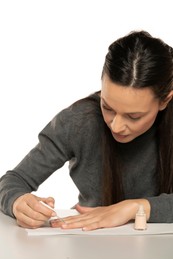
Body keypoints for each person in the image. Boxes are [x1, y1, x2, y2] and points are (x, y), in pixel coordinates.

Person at [0, 30, 173, 231]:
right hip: (88, 241)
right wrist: (18, 202)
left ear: (165, 101)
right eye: (107, 106)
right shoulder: (78, 121)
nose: (116, 126)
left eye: (133, 116)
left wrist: (136, 207)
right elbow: (13, 181)